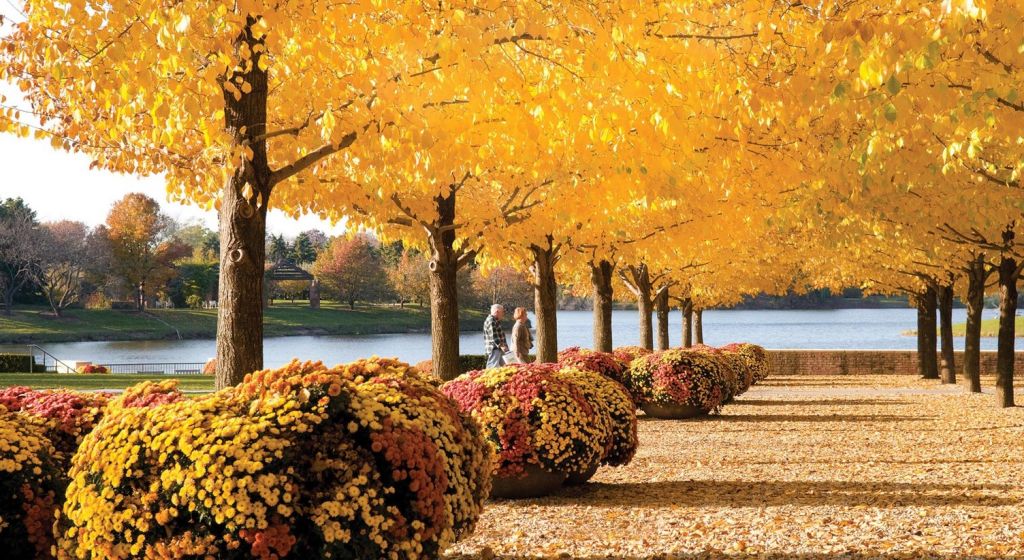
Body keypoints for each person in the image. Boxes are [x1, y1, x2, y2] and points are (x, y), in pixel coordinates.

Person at [483, 304, 509, 368]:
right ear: (497, 311)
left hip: (498, 348)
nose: (503, 314)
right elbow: (494, 336)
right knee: (492, 367)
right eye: (502, 312)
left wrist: (504, 346)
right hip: (494, 348)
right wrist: (502, 345)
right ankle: (487, 377)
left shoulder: (495, 320)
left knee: (505, 367)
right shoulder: (491, 321)